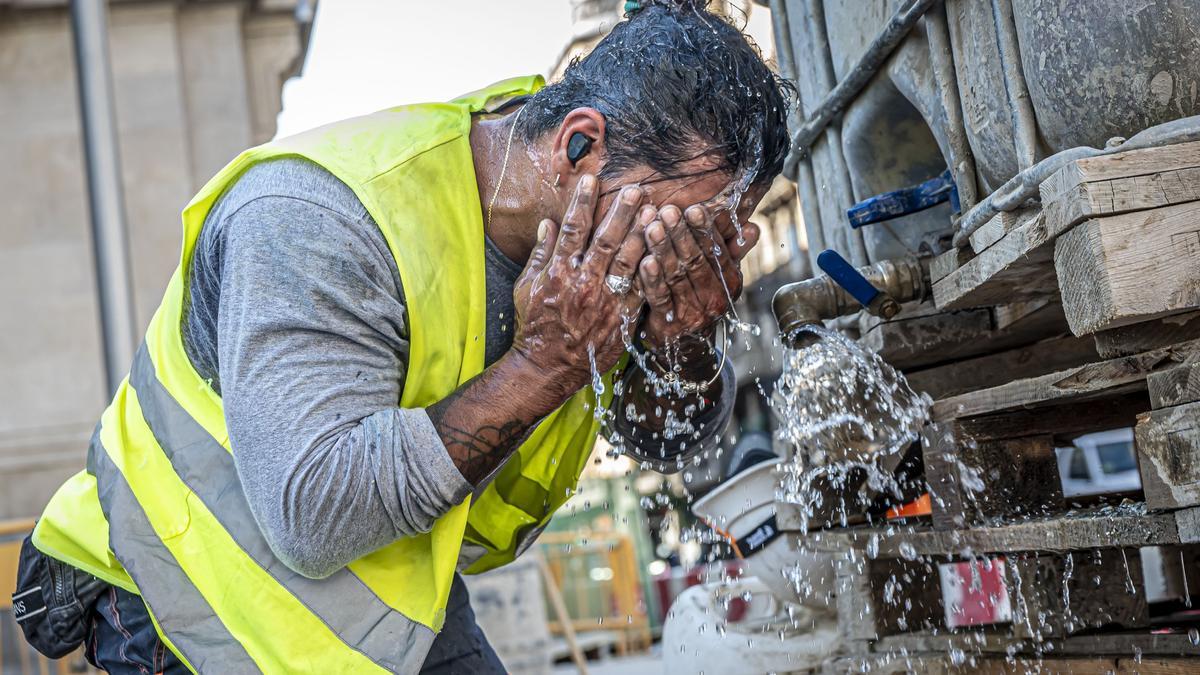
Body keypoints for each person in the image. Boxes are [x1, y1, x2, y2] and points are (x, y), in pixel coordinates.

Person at [14, 0, 792, 671]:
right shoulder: (313, 219)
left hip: (382, 583)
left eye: (719, 235)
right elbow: (315, 513)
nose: (684, 256)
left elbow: (665, 440)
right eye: (683, 225)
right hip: (184, 594)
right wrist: (547, 362)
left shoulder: (601, 246)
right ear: (578, 145)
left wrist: (684, 339)